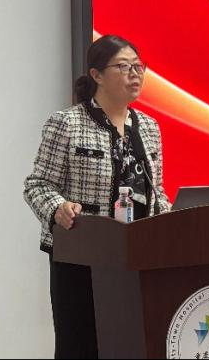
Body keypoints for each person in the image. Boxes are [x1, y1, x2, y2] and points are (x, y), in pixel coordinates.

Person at [23, 35, 171, 358]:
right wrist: (58, 208)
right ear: (97, 75)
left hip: (137, 256)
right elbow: (37, 185)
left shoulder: (148, 127)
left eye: (139, 66)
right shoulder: (67, 123)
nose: (135, 74)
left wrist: (177, 219)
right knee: (82, 347)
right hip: (81, 257)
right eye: (124, 67)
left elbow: (156, 191)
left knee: (133, 345)